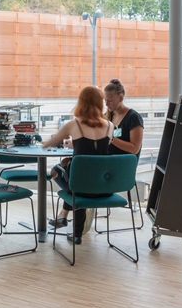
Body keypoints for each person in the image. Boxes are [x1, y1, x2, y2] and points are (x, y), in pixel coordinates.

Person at [42, 86, 113, 243]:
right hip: (104, 188)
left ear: (81, 102)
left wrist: (42, 143)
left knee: (58, 171)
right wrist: (76, 145)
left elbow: (49, 144)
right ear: (99, 103)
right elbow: (95, 151)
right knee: (74, 173)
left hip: (80, 189)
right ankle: (71, 228)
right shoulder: (110, 125)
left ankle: (67, 221)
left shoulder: (74, 124)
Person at [104, 78, 144, 157]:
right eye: (105, 100)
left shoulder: (134, 117)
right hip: (107, 159)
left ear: (121, 98)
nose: (106, 104)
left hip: (122, 161)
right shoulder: (106, 116)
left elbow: (135, 149)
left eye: (110, 100)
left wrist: (111, 139)